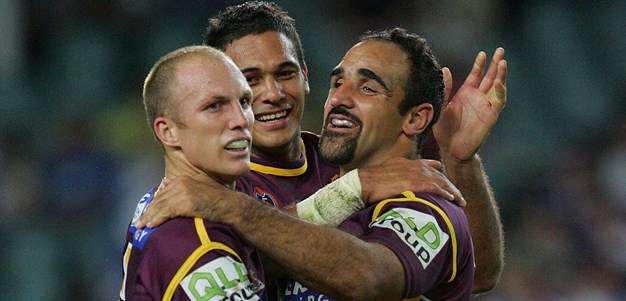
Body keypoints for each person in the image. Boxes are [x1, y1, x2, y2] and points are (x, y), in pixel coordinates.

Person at [136, 0, 505, 294]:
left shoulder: (347, 160)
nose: (273, 94)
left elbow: (478, 274)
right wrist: (352, 191)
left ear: (306, 77)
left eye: (285, 73)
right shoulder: (199, 191)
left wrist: (460, 159)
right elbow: (229, 263)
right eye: (250, 82)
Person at [118, 46, 266, 300]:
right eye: (215, 106)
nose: (241, 120)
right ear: (168, 132)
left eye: (244, 101)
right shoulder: (199, 246)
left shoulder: (160, 198)